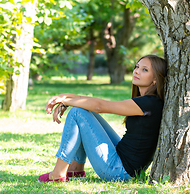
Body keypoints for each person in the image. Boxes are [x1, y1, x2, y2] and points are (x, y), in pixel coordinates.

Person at [38, 55, 167, 183]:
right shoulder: (149, 102)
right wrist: (66, 97)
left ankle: (58, 174)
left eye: (145, 69)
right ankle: (75, 170)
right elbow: (95, 104)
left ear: (155, 78)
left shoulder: (149, 103)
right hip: (125, 164)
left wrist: (67, 101)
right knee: (84, 112)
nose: (137, 71)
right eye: (137, 66)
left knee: (77, 113)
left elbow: (100, 106)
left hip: (119, 171)